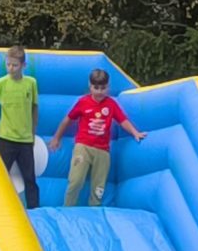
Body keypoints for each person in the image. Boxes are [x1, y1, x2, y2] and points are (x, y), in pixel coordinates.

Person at [59, 67, 144, 206]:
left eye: (103, 88)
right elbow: (68, 119)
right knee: (76, 180)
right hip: (83, 146)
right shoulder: (83, 102)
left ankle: (94, 210)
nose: (99, 92)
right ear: (90, 86)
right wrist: (57, 137)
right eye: (96, 88)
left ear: (108, 86)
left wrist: (135, 132)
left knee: (98, 187)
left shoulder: (111, 104)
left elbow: (122, 120)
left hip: (102, 150)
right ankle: (67, 207)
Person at [0, 45, 41, 209]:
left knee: (30, 178)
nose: (11, 68)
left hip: (25, 140)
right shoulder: (1, 83)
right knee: (0, 177)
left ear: (23, 65)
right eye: (8, 64)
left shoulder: (31, 83)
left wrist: (33, 132)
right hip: (6, 139)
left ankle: (34, 211)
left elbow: (34, 107)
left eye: (15, 65)